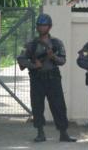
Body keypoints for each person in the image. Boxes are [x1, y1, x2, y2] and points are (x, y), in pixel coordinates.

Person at [17, 13, 76, 142]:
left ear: (49, 27)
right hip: (37, 78)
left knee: (58, 105)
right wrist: (33, 65)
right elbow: (21, 59)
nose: (41, 28)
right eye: (39, 25)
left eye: (44, 25)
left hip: (53, 78)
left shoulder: (56, 43)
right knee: (37, 106)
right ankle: (40, 132)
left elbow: (63, 60)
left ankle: (63, 133)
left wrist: (53, 57)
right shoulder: (31, 44)